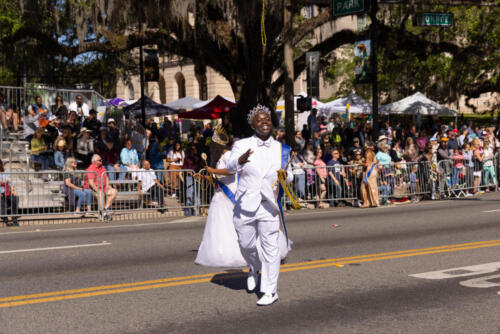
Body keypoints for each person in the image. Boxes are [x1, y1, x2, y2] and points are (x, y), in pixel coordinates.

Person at [226, 104, 293, 306]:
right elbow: (229, 167)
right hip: (245, 204)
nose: (265, 122)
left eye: (268, 119)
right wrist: (239, 159)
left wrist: (285, 176)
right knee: (246, 245)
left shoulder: (282, 148)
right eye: (260, 120)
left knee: (271, 248)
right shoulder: (241, 144)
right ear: (252, 125)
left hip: (269, 206)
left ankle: (270, 291)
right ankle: (254, 267)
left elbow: (290, 174)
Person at [195, 143, 291, 268]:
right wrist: (203, 176)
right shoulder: (221, 157)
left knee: (235, 226)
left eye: (213, 146)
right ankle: (222, 250)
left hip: (229, 196)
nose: (211, 148)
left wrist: (212, 170)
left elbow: (230, 171)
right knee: (222, 226)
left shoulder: (229, 155)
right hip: (221, 195)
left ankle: (245, 252)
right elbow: (219, 178)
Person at [85, 154, 118, 221]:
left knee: (114, 191)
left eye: (101, 160)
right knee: (100, 194)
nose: (101, 161)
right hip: (92, 189)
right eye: (100, 160)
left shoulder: (102, 167)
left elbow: (106, 177)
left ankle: (105, 209)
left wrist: (108, 186)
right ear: (94, 161)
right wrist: (97, 190)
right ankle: (104, 214)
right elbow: (91, 183)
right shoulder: (90, 169)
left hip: (103, 187)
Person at [0, 159, 20, 226]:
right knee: (2, 200)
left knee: (15, 198)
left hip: (7, 191)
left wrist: (13, 191)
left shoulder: (6, 171)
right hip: (1, 192)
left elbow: (10, 183)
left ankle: (14, 217)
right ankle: (4, 218)